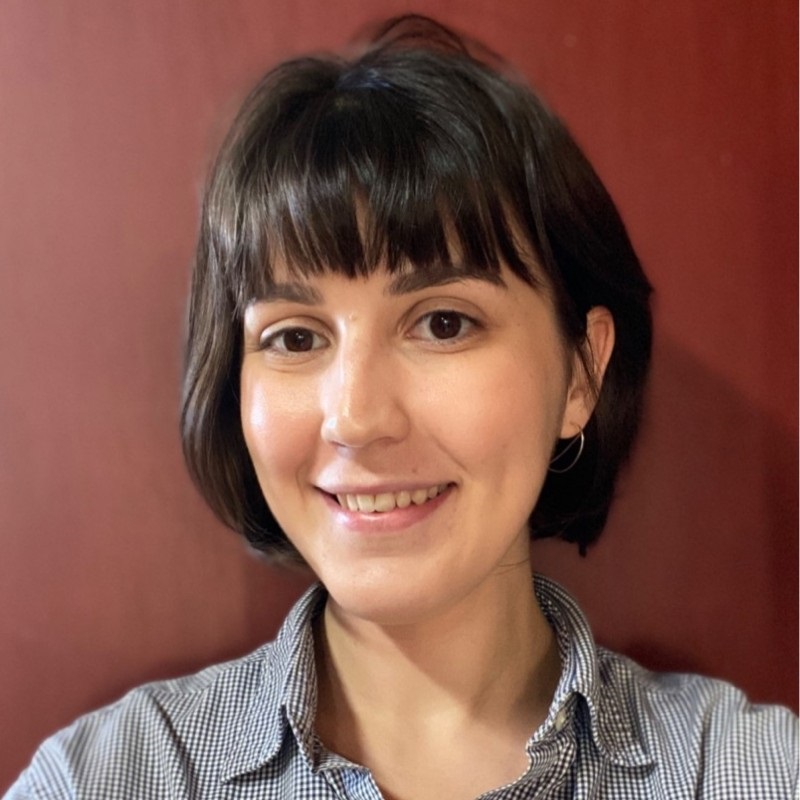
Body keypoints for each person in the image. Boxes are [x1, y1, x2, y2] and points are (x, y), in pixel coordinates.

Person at [6, 15, 797, 800]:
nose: (356, 418)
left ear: (582, 375)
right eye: (293, 337)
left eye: (443, 323)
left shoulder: (744, 773)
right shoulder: (110, 780)